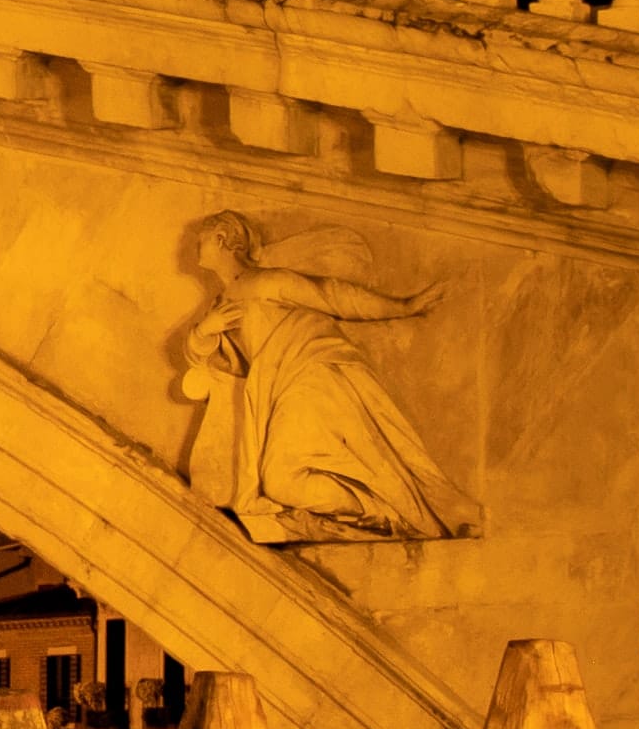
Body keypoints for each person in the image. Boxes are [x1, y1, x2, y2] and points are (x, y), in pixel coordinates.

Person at [171, 213, 470, 544]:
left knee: (282, 480)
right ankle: (374, 511)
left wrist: (404, 305)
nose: (195, 244)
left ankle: (387, 510)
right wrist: (204, 330)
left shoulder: (264, 282)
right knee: (283, 482)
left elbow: (334, 297)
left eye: (202, 237)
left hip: (309, 375)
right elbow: (203, 358)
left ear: (223, 239)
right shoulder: (221, 303)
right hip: (276, 391)